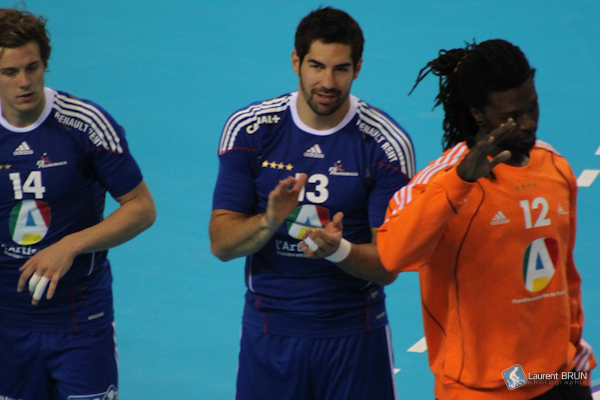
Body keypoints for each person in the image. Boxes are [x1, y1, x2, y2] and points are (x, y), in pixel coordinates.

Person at [209, 6, 415, 400]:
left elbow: (389, 264)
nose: (327, 82)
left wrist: (339, 250)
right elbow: (221, 243)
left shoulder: (385, 144)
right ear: (295, 62)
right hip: (271, 333)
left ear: (358, 68)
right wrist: (270, 219)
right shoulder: (250, 130)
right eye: (316, 66)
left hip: (354, 333)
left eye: (341, 69)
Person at [377, 39, 596, 400]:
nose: (527, 124)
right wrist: (458, 183)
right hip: (482, 391)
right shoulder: (441, 181)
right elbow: (392, 255)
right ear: (479, 114)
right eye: (513, 116)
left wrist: (577, 367)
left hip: (560, 378)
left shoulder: (556, 168)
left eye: (533, 108)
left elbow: (567, 279)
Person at [0, 8, 156, 400]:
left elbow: (141, 208)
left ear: (46, 64)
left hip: (80, 316)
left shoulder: (85, 124)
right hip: (7, 321)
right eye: (9, 72)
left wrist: (70, 245)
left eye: (33, 67)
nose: (24, 82)